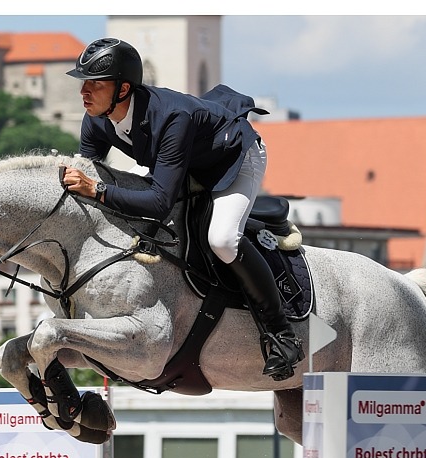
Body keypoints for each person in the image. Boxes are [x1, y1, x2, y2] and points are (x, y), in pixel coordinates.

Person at [61, 38, 303, 381]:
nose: (84, 91)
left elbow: (158, 202)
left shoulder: (172, 117)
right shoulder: (96, 120)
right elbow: (89, 179)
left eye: (94, 84)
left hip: (233, 158)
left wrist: (97, 190)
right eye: (83, 82)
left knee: (221, 240)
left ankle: (281, 335)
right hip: (181, 162)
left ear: (123, 89)